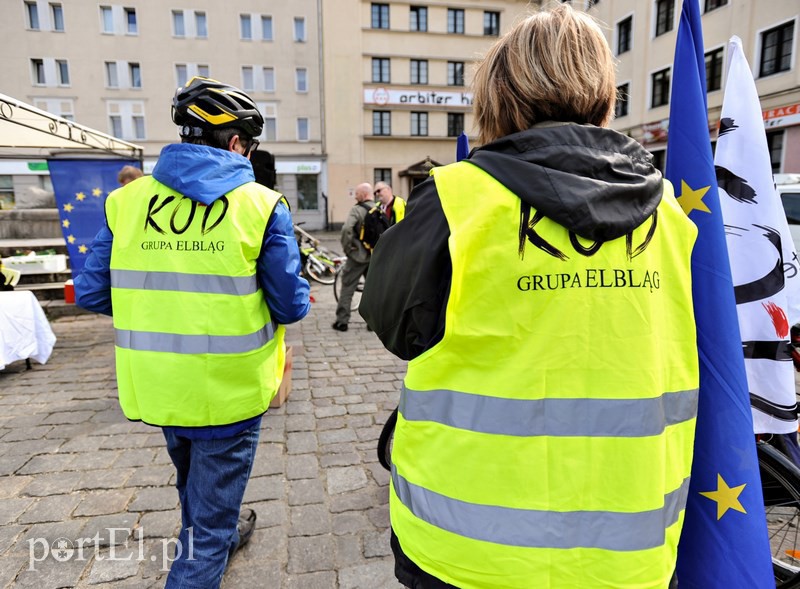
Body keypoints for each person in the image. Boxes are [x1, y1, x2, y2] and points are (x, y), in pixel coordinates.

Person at [360, 5, 699, 588]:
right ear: (603, 92)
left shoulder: (458, 197)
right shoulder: (670, 210)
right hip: (627, 548)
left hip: (467, 544)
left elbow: (396, 325)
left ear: (499, 94)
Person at [74, 76, 310, 589]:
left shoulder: (127, 202)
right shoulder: (261, 205)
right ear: (236, 143)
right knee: (207, 529)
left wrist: (157, 309)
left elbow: (91, 292)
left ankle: (218, 531)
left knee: (193, 484)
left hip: (157, 383)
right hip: (228, 390)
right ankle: (212, 541)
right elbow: (291, 306)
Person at [332, 182, 374, 332]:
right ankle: (372, 323)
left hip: (357, 256)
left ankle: (342, 322)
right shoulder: (379, 209)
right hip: (374, 256)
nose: (355, 197)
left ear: (363, 194)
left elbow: (346, 229)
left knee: (347, 287)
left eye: (357, 194)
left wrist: (348, 249)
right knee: (372, 289)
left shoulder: (357, 210)